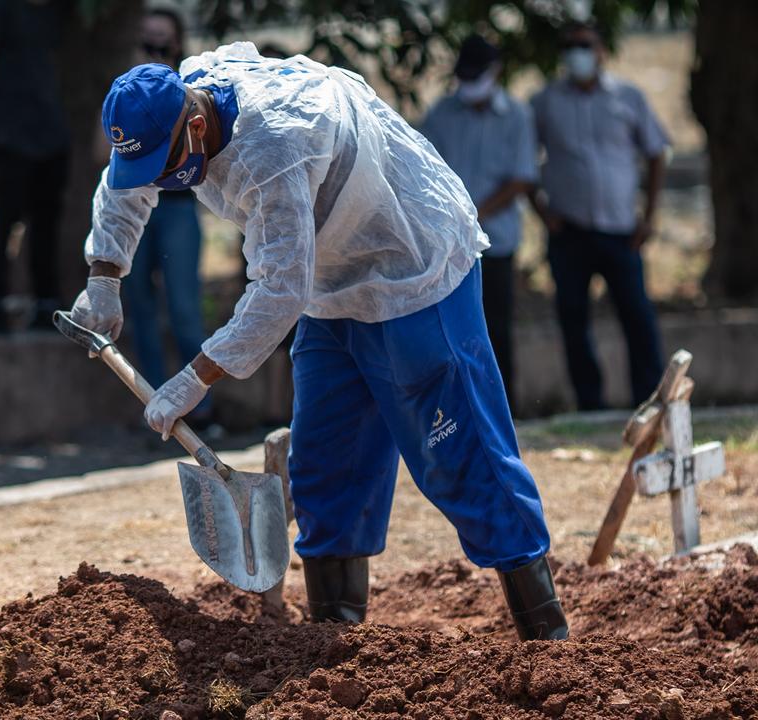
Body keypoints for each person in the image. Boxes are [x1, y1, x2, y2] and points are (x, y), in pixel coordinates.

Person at [68, 43, 569, 641]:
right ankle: (334, 640)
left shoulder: (273, 144)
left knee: (460, 458)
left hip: (410, 266)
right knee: (327, 458)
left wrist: (196, 376)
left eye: (163, 160)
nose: (156, 176)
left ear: (197, 125)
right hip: (327, 281)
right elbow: (126, 185)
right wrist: (105, 276)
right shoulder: (173, 112)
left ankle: (546, 640)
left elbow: (278, 288)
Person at [531, 21, 668, 410]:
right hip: (569, 233)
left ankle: (651, 405)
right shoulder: (544, 102)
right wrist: (543, 213)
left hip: (622, 232)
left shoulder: (628, 97)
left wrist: (650, 216)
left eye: (585, 45)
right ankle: (592, 407)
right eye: (569, 46)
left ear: (601, 50)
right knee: (574, 323)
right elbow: (523, 164)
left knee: (638, 319)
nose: (577, 52)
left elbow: (656, 153)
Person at [421, 36, 537, 414]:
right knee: (450, 334)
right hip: (447, 246)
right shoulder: (440, 115)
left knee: (496, 330)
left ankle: (506, 410)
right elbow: (424, 171)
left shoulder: (518, 116)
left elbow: (521, 179)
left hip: (497, 242)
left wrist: (472, 214)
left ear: (496, 72)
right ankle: (460, 412)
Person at [121, 8, 211, 421]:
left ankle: (200, 410)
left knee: (184, 310)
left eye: (163, 46)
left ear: (176, 46)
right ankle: (155, 411)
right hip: (136, 212)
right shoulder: (122, 95)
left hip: (177, 210)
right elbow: (101, 156)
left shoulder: (192, 92)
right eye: (146, 45)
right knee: (139, 310)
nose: (154, 54)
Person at [0, 0, 70, 332]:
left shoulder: (60, 12)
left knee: (46, 222)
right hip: (8, 132)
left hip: (52, 133)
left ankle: (46, 303)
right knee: (6, 217)